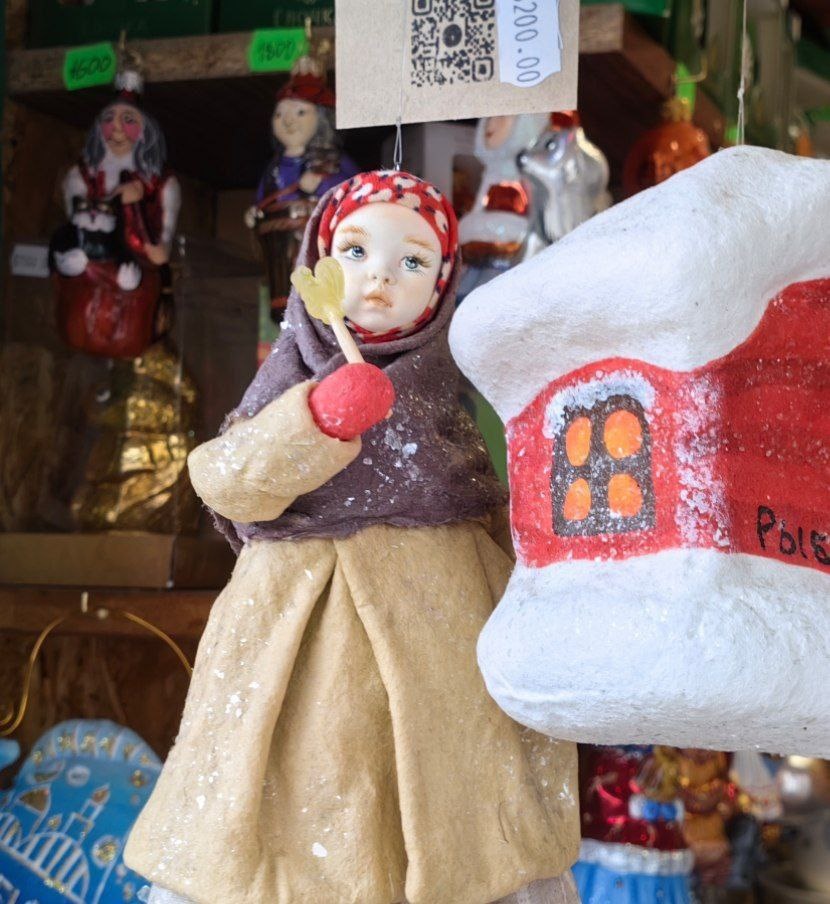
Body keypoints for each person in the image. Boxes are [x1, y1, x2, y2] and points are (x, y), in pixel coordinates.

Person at [125, 170, 580, 904]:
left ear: (443, 286)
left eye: (413, 261)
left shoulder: (448, 399)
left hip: (444, 650)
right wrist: (315, 422)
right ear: (320, 263)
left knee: (452, 820)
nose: (379, 279)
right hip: (296, 643)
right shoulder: (286, 381)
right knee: (297, 819)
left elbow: (490, 513)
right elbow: (226, 483)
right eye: (357, 252)